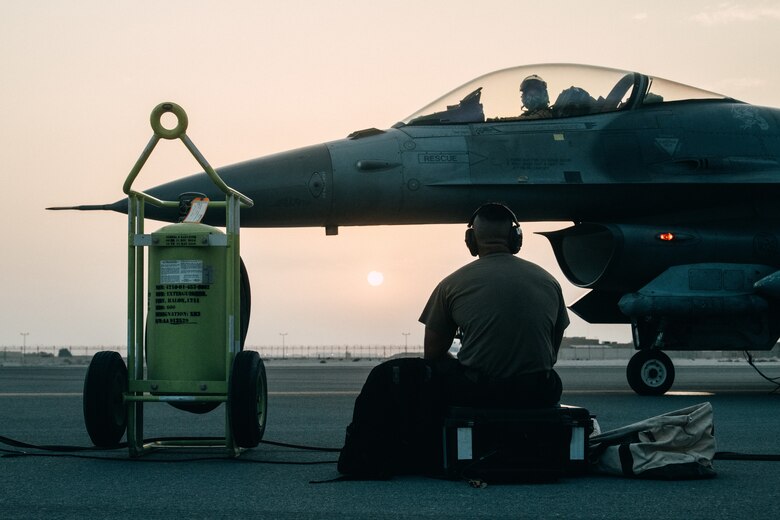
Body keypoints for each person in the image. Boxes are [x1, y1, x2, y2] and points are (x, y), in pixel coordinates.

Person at [419, 202, 568, 408]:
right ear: (516, 238)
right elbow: (551, 352)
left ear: (470, 241)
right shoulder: (549, 281)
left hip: (479, 393)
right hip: (537, 392)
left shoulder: (450, 285)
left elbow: (433, 354)